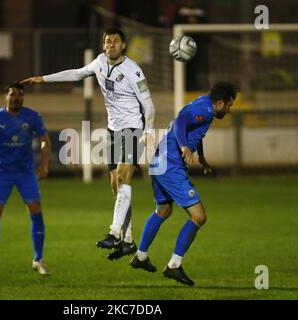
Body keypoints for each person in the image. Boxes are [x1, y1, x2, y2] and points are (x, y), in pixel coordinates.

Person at [21, 27, 155, 261]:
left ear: (123, 45)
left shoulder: (134, 71)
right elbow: (76, 73)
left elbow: (149, 105)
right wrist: (43, 79)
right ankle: (129, 240)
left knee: (124, 179)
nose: (110, 45)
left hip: (133, 128)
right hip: (113, 130)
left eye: (115, 42)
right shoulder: (100, 62)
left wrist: (149, 132)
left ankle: (114, 233)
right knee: (116, 186)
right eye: (107, 42)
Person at [130, 81, 237, 286]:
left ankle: (141, 255)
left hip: (159, 162)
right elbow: (180, 122)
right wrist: (185, 147)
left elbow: (194, 131)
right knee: (199, 216)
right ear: (221, 103)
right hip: (171, 166)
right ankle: (174, 265)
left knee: (163, 210)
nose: (230, 109)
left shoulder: (204, 105)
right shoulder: (206, 110)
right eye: (230, 105)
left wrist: (202, 157)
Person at [0, 82, 51, 277]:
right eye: (13, 94)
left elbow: (45, 140)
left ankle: (38, 259)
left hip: (26, 172)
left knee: (36, 211)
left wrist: (43, 165)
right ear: (6, 97)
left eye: (20, 94)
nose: (17, 98)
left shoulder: (32, 116)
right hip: (2, 172)